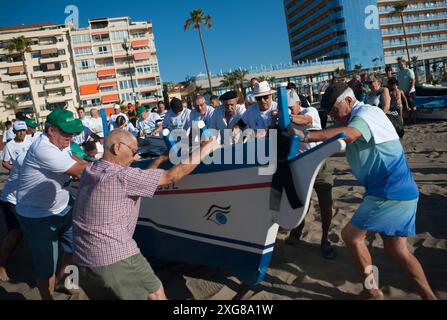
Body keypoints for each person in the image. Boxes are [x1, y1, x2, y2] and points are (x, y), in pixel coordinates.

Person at [290, 82, 437, 300]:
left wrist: (304, 136)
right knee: (398, 250)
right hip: (402, 190)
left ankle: (371, 290)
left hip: (388, 191)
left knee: (351, 236)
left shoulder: (365, 114)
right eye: (329, 113)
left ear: (349, 100)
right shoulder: (365, 115)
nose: (333, 116)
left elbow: (348, 135)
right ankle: (428, 296)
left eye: (334, 111)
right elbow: (339, 138)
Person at [72, 129, 218, 300]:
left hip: (83, 259)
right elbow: (172, 176)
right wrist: (206, 148)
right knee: (155, 294)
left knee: (148, 292)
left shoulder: (92, 170)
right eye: (133, 151)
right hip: (115, 257)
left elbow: (140, 180)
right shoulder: (122, 176)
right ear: (117, 148)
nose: (135, 157)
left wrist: (159, 159)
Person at [14, 109, 88, 300]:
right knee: (46, 267)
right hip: (38, 216)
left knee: (74, 249)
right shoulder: (43, 149)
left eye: (72, 132)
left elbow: (73, 158)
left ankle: (66, 281)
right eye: (66, 132)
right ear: (51, 130)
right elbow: (79, 171)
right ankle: (48, 297)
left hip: (63, 205)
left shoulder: (61, 142)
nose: (70, 136)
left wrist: (89, 162)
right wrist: (108, 166)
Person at [284, 90, 336, 259]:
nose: (291, 111)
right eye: (288, 109)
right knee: (301, 203)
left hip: (320, 163)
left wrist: (288, 117)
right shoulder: (286, 116)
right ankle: (298, 229)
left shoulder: (309, 111)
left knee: (325, 204)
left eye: (292, 107)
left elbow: (305, 120)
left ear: (299, 104)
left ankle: (325, 238)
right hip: (301, 165)